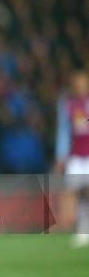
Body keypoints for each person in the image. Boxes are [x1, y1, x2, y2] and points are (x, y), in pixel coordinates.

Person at [55, 70, 89, 248]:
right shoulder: (68, 105)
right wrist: (60, 155)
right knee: (72, 193)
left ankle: (85, 228)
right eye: (77, 85)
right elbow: (64, 131)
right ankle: (80, 229)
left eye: (83, 84)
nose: (80, 87)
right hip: (75, 156)